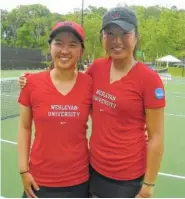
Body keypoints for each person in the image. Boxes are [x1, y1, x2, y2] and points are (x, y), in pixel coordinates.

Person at [18, 7, 165, 198]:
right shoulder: (96, 69)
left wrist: (148, 185)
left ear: (136, 36)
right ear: (103, 37)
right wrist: (31, 79)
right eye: (110, 33)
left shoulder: (149, 79)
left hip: (127, 179)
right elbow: (66, 75)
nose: (117, 40)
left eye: (124, 33)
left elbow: (157, 137)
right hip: (93, 171)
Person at [17, 21, 92, 198]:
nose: (65, 50)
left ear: (81, 51)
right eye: (58, 43)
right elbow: (24, 127)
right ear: (50, 47)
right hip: (38, 181)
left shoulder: (90, 83)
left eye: (72, 45)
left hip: (79, 182)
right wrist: (23, 170)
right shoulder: (31, 83)